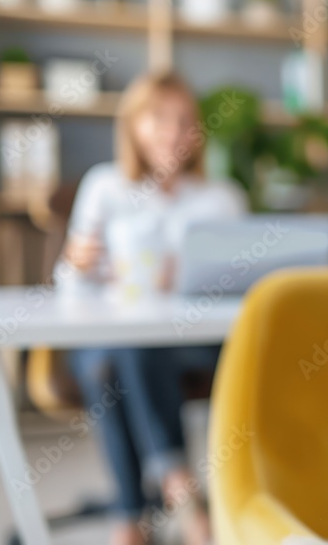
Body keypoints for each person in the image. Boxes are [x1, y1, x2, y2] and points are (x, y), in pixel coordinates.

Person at [61, 72, 247, 545]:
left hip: (194, 344)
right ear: (132, 126)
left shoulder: (221, 199)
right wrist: (73, 264)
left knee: (127, 354)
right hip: (112, 339)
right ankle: (177, 493)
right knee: (114, 356)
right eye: (158, 118)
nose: (173, 131)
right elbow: (70, 289)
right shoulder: (105, 186)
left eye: (184, 119)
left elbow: (245, 285)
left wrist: (188, 279)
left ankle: (132, 516)